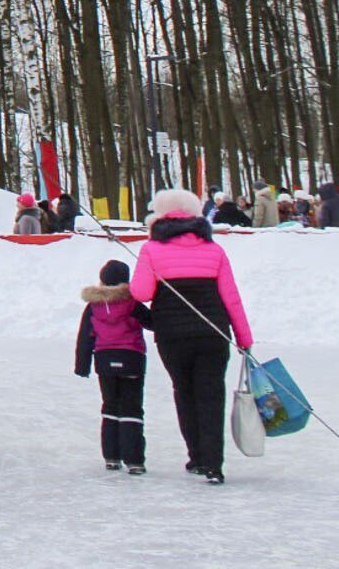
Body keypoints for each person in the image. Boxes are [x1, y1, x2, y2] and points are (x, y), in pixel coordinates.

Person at [129, 187, 253, 484]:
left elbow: (142, 293)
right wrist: (244, 337)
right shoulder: (214, 250)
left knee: (184, 392)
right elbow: (231, 297)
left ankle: (196, 456)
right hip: (213, 333)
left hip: (173, 336)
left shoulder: (151, 250)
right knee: (211, 395)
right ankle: (213, 463)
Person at [75, 258, 150, 474]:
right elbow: (152, 322)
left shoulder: (93, 306)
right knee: (132, 407)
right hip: (132, 359)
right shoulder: (133, 303)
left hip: (104, 361)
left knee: (110, 406)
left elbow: (85, 337)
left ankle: (111, 456)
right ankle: (134, 459)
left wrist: (82, 365)